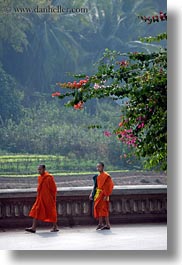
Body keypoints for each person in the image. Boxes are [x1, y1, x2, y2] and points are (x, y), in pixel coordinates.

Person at [25, 165, 59, 233]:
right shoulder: (40, 178)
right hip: (40, 198)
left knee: (51, 212)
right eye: (38, 169)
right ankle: (33, 228)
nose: (39, 171)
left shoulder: (49, 177)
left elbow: (54, 189)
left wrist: (52, 197)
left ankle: (55, 227)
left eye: (40, 169)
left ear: (44, 169)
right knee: (36, 211)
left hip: (48, 199)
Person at [89, 162, 114, 230]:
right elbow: (95, 186)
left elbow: (110, 186)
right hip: (98, 194)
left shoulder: (106, 176)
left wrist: (106, 195)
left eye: (99, 167)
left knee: (104, 209)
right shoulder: (98, 176)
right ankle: (100, 223)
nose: (98, 168)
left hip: (104, 194)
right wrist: (92, 193)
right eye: (97, 167)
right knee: (98, 208)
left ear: (103, 167)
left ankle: (107, 224)